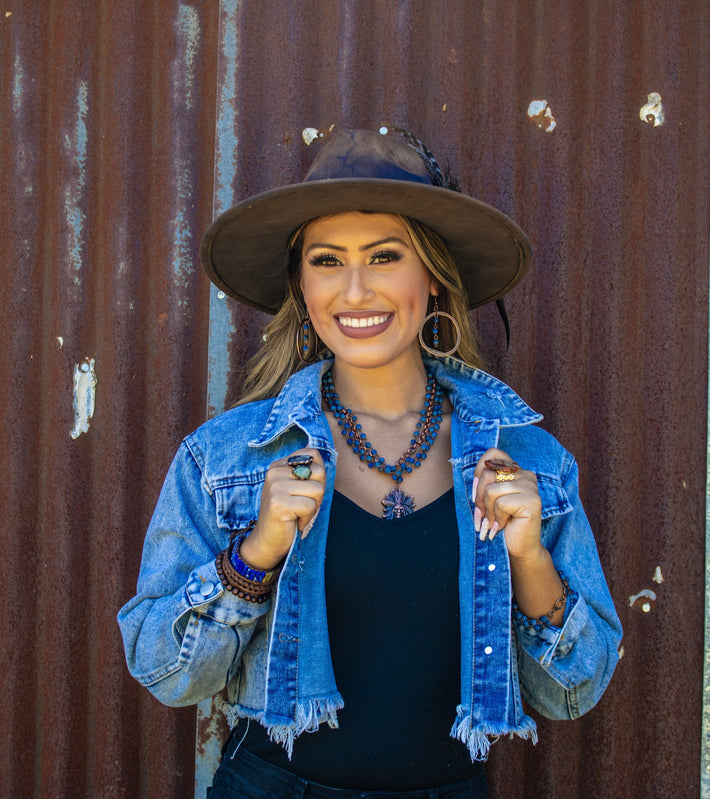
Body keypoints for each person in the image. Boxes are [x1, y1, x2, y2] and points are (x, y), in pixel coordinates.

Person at [118, 127, 622, 799]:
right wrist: (254, 554)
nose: (355, 291)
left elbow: (574, 690)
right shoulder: (227, 457)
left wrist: (530, 559)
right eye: (327, 260)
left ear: (435, 279)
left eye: (385, 256)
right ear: (301, 285)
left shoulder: (529, 460)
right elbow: (165, 671)